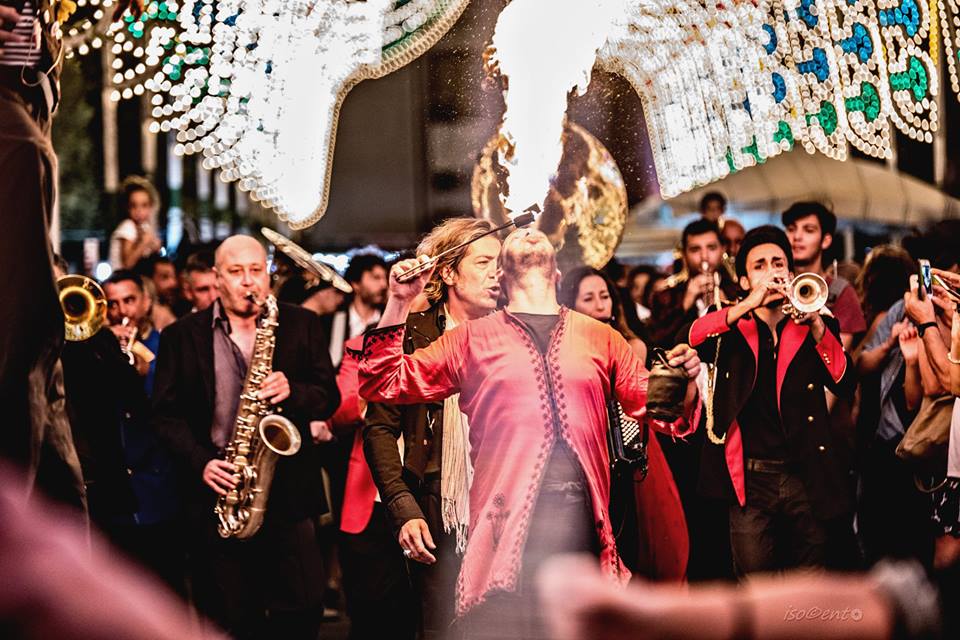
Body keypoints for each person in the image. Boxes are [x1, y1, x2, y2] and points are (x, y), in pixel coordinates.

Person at [357, 227, 702, 638]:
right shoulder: (469, 339)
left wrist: (685, 380)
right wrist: (399, 301)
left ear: (556, 274)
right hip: (504, 531)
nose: (528, 234)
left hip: (583, 522)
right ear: (503, 278)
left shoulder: (601, 337)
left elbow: (662, 412)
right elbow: (383, 382)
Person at [151, 235, 340, 639]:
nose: (248, 281)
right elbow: (164, 416)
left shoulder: (301, 323)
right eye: (236, 272)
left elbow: (328, 396)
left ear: (267, 275)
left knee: (303, 607)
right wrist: (201, 462)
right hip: (220, 492)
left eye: (256, 270)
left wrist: (294, 390)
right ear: (217, 277)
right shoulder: (181, 336)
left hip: (289, 492)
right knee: (230, 617)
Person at [685, 225, 856, 576]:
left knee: (809, 582)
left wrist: (818, 328)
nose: (772, 272)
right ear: (745, 280)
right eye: (759, 265)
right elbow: (693, 337)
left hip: (805, 474)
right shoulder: (732, 324)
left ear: (790, 273)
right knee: (756, 585)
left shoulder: (816, 321)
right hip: (749, 481)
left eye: (778, 263)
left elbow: (844, 383)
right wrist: (748, 304)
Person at [363, 218, 501, 639]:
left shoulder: (513, 332)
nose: (496, 272)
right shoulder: (411, 333)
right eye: (483, 262)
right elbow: (379, 430)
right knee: (441, 628)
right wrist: (403, 508)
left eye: (499, 262)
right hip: (436, 502)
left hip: (502, 497)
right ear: (448, 273)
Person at [559, 266, 688, 581]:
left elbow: (635, 402)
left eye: (604, 296)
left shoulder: (630, 344)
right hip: (584, 451)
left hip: (626, 444)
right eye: (589, 298)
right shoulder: (562, 348)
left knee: (637, 528)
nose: (600, 304)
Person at [102, 270, 182, 591]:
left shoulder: (168, 347)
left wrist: (142, 375)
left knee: (165, 586)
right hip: (115, 496)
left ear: (147, 302)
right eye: (112, 304)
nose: (121, 311)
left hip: (159, 489)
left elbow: (169, 412)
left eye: (129, 300)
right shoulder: (95, 351)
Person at [782, 202, 866, 349]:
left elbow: (839, 354)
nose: (797, 236)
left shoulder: (842, 292)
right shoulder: (776, 286)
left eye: (809, 230)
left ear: (826, 241)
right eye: (791, 229)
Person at [649, 218, 739, 349]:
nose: (704, 256)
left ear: (722, 249)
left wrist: (727, 309)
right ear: (684, 254)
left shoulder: (737, 291)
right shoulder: (665, 296)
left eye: (711, 248)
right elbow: (657, 342)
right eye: (695, 249)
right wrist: (686, 302)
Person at [323, 253, 388, 369]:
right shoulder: (333, 320)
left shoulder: (388, 319)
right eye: (376, 278)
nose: (384, 285)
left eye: (385, 278)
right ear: (356, 284)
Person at [110, 176, 163, 270]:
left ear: (151, 207)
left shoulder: (145, 227)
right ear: (127, 208)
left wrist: (156, 248)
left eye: (144, 205)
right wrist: (144, 243)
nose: (139, 211)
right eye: (133, 206)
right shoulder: (127, 226)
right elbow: (127, 264)